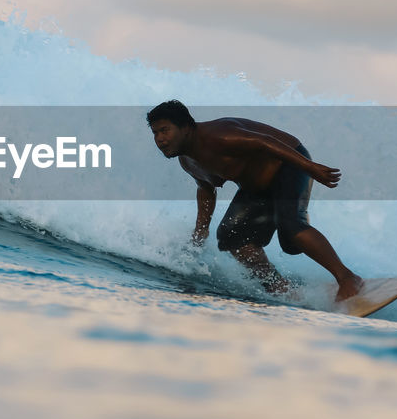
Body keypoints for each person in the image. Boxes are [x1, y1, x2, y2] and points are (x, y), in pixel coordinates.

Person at [147, 100, 363, 302]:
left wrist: (310, 167)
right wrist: (201, 230)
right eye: (155, 133)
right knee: (231, 237)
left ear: (185, 126)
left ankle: (347, 278)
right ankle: (279, 287)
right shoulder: (188, 161)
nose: (159, 139)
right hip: (257, 188)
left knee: (291, 231)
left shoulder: (219, 136)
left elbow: (264, 143)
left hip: (289, 164)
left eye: (165, 130)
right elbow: (205, 188)